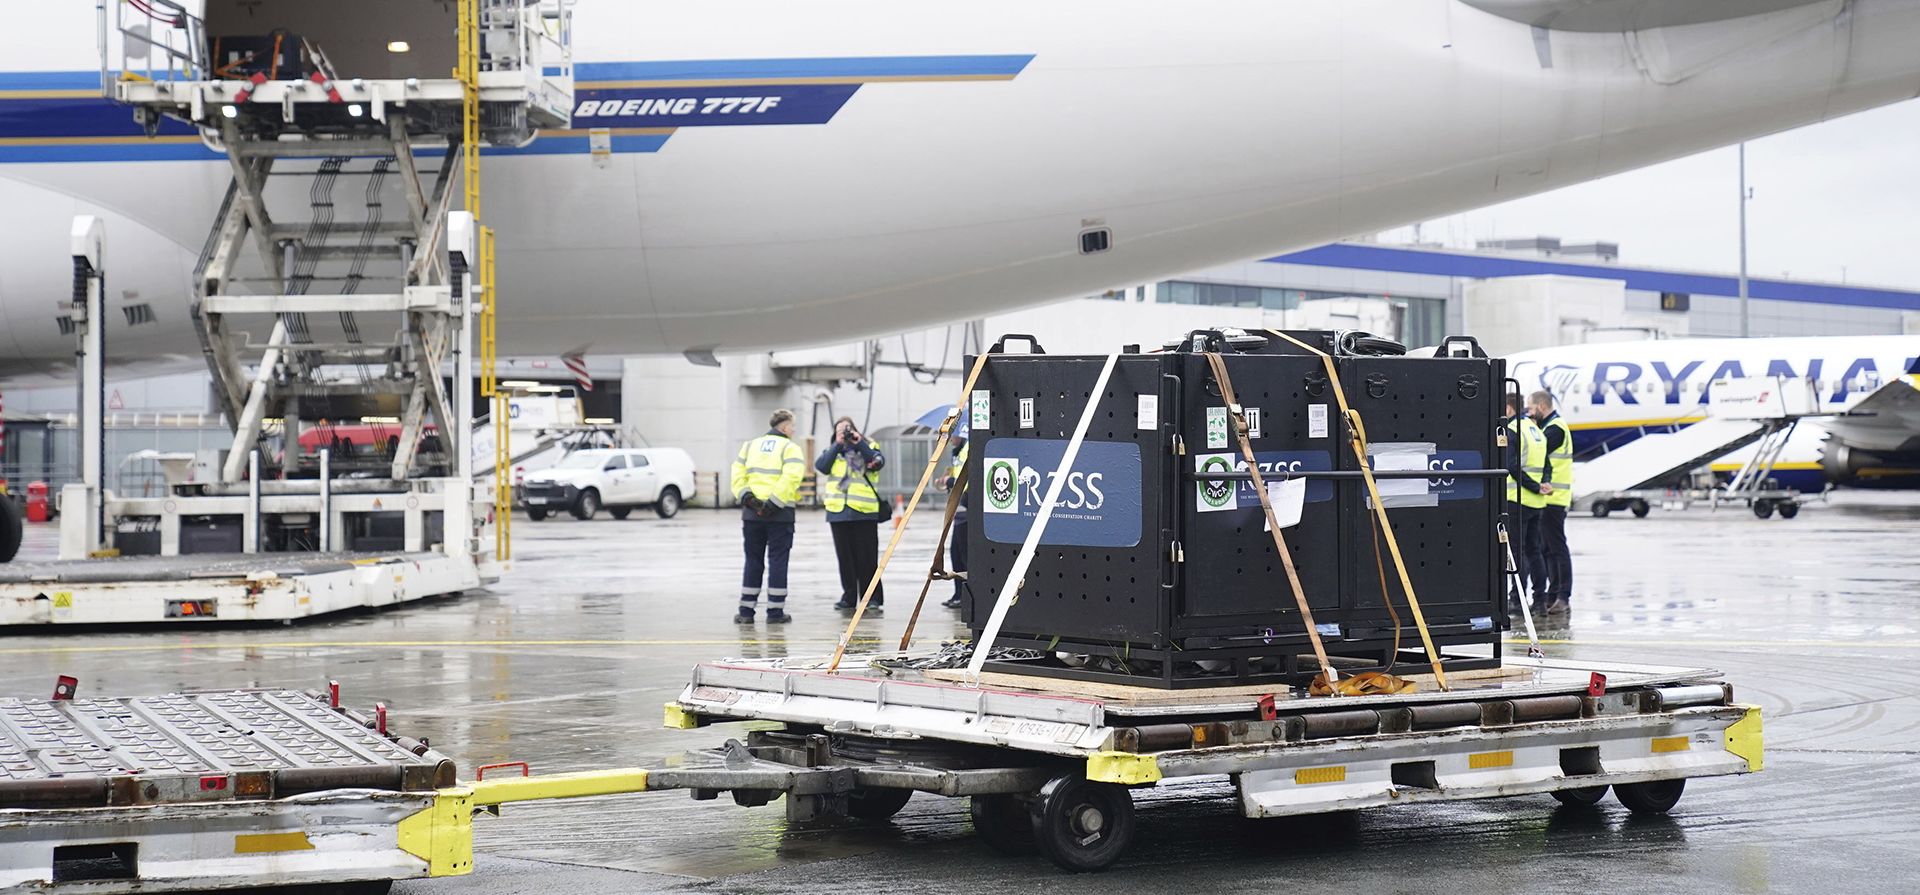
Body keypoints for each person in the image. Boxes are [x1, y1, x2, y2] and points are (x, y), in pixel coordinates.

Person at [730, 409, 806, 624]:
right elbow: (792, 477)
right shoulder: (790, 448)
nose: (793, 430)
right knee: (778, 560)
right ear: (784, 427)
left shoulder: (750, 445)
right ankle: (774, 611)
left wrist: (749, 499)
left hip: (752, 514)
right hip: (779, 514)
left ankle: (746, 611)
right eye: (792, 426)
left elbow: (737, 473)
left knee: (753, 560)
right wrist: (773, 503)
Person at [816, 416, 888, 614]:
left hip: (863, 511)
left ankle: (872, 597)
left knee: (867, 559)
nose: (844, 434)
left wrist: (860, 443)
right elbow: (821, 466)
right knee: (845, 559)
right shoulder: (833, 451)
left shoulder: (869, 445)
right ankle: (848, 597)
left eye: (847, 430)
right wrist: (838, 444)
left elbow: (877, 462)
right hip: (838, 511)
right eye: (840, 431)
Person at [1531, 390, 1575, 613]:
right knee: (1547, 548)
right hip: (1547, 497)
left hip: (1555, 497)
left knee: (1557, 547)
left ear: (1541, 406)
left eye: (1531, 408)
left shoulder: (1555, 428)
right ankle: (1553, 593)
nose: (1529, 413)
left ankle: (1563, 596)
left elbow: (1536, 451)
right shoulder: (1549, 427)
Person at [1505, 393, 1549, 614]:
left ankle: (1517, 599)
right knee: (1535, 551)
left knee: (1517, 551)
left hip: (1518, 500)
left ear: (1510, 409)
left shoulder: (1513, 430)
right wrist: (1544, 484)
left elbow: (1511, 466)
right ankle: (1540, 600)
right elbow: (1547, 464)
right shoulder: (1536, 431)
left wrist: (1532, 486)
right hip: (1537, 503)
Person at [939, 437, 969, 610]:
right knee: (956, 555)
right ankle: (958, 594)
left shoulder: (968, 447)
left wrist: (951, 482)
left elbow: (967, 477)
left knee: (964, 557)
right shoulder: (957, 452)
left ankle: (965, 596)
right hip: (958, 511)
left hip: (967, 508)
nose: (950, 439)